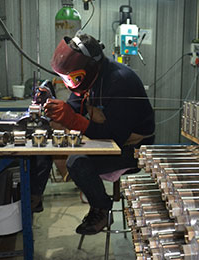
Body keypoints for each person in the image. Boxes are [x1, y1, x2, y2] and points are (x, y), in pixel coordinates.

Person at [32, 34, 155, 235]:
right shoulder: (91, 78)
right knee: (46, 142)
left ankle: (101, 208)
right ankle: (34, 197)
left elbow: (115, 138)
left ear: (88, 69)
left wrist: (73, 120)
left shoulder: (120, 81)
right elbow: (74, 105)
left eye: (72, 77)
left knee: (77, 162)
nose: (70, 83)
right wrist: (52, 104)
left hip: (133, 148)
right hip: (106, 138)